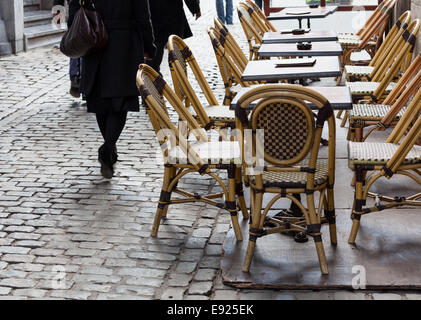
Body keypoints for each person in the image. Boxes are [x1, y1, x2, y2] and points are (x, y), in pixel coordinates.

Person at [68, 0, 156, 179]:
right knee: (120, 102)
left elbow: (74, 10)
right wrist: (149, 46)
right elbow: (143, 16)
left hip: (95, 42)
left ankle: (108, 149)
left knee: (100, 101)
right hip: (124, 45)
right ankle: (108, 148)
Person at [148, 0, 201, 74]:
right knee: (175, 47)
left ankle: (152, 76)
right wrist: (195, 7)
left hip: (155, 12)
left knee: (157, 46)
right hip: (173, 12)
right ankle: (180, 78)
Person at [53, 0, 82, 98]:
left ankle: (75, 76)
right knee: (87, 46)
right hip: (91, 13)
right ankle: (83, 80)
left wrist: (58, 18)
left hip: (75, 14)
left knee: (75, 46)